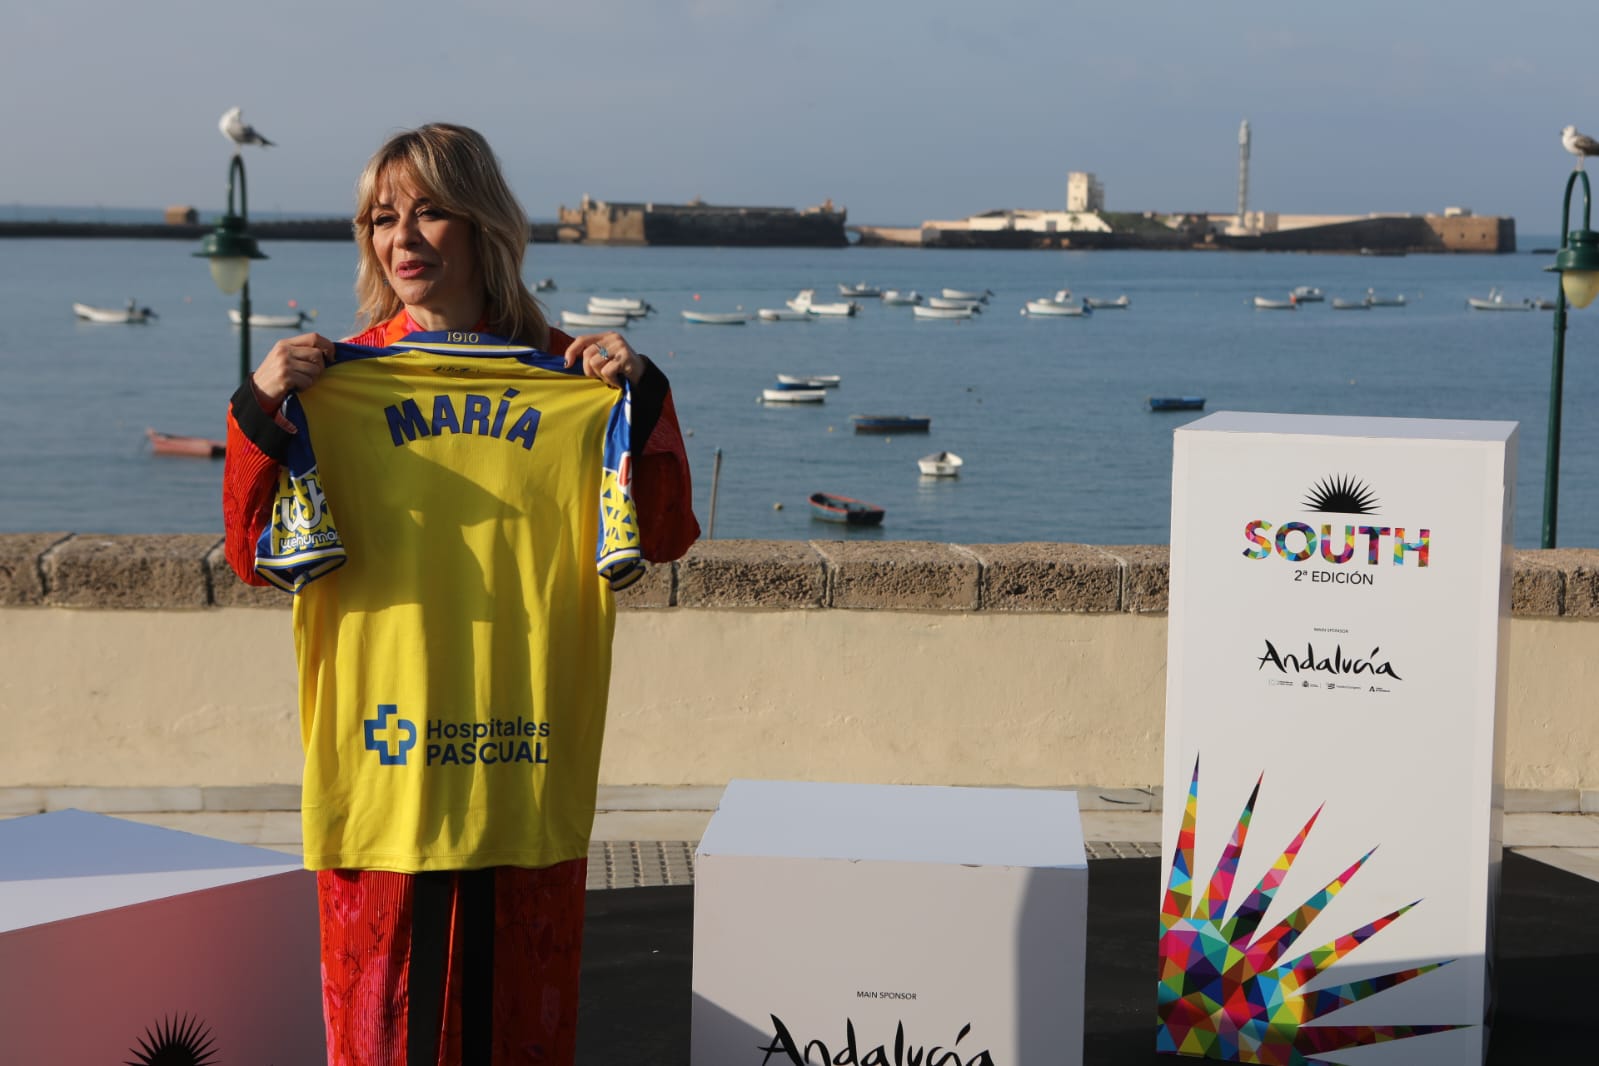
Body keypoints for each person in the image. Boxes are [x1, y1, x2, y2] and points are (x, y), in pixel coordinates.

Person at [221, 122, 698, 1065]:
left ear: (485, 225)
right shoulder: (330, 386)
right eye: (380, 218)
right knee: (384, 1028)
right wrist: (258, 408)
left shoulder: (571, 379)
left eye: (429, 211)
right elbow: (250, 554)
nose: (401, 239)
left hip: (522, 770)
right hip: (380, 776)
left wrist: (640, 394)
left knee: (514, 1024)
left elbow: (667, 532)